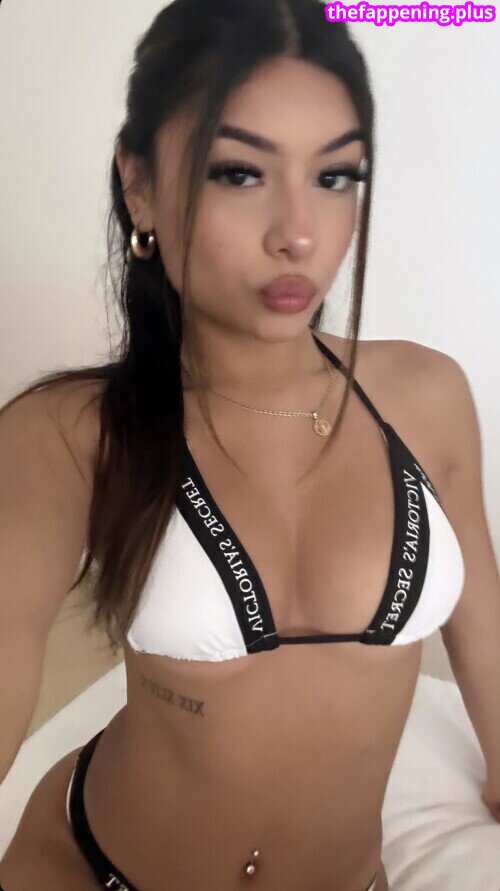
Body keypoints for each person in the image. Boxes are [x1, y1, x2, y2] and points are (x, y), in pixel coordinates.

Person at [0, 1, 469, 888]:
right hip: (95, 867)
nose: (299, 232)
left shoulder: (426, 396)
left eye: (334, 176)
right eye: (240, 172)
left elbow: (483, 621)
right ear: (139, 185)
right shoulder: (67, 435)